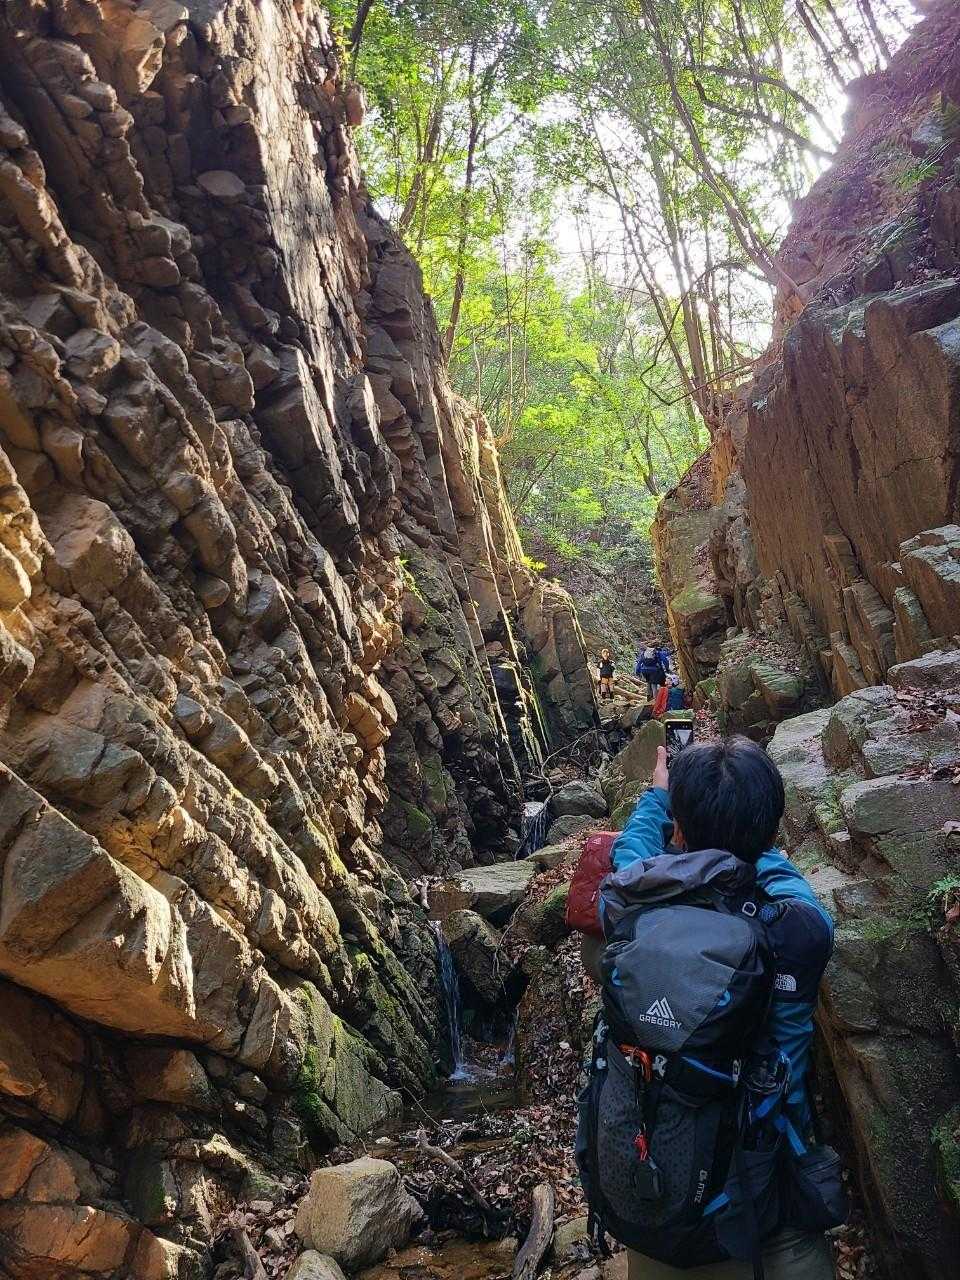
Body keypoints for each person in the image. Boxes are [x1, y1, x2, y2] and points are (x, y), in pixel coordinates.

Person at [581, 737, 836, 1280]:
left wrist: (658, 798)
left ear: (678, 829)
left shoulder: (628, 904)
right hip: (764, 1209)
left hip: (659, 1199)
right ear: (769, 830)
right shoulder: (798, 929)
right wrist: (748, 840)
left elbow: (630, 853)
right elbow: (788, 888)